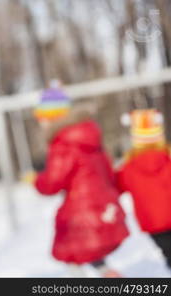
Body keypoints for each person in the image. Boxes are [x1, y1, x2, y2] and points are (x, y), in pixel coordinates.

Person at [31, 81, 129, 277]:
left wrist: (37, 180)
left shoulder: (63, 143)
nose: (41, 123)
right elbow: (109, 173)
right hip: (104, 209)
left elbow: (52, 183)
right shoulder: (91, 137)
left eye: (42, 117)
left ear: (53, 118)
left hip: (79, 215)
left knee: (73, 257)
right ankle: (109, 274)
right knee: (92, 254)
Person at [116, 108, 171, 272]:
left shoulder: (129, 167)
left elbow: (118, 186)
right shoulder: (168, 160)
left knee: (168, 252)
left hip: (152, 223)